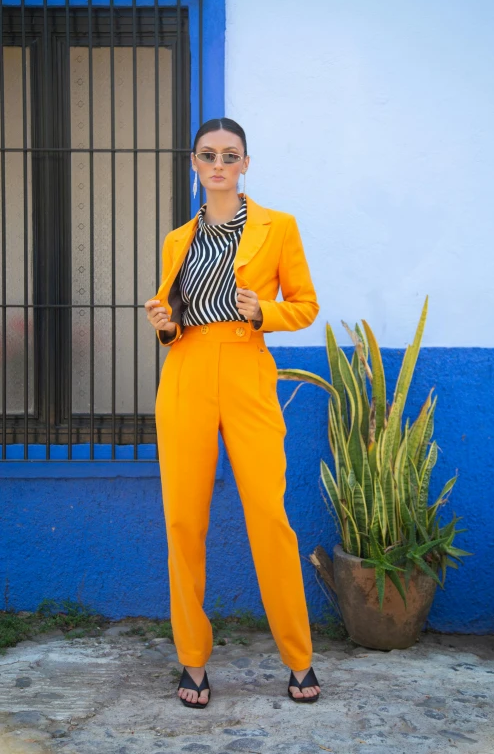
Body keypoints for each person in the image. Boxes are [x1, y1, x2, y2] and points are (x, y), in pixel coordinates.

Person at [144, 117, 321, 708]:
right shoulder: (176, 238)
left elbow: (306, 306)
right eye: (207, 155)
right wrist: (166, 327)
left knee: (269, 515)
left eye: (230, 155)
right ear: (193, 164)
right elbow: (176, 311)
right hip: (188, 372)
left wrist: (262, 310)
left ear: (246, 163)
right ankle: (192, 660)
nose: (218, 165)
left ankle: (299, 657)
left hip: (247, 368)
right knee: (183, 522)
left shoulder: (279, 228)